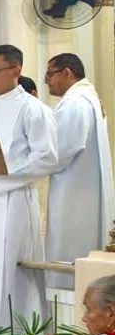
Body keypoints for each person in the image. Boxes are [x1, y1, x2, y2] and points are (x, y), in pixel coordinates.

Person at [0, 44, 57, 330]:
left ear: (16, 70)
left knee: (11, 273)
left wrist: (0, 175)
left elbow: (46, 158)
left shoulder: (34, 110)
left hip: (14, 202)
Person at [44, 53, 114, 288]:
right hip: (84, 190)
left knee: (67, 258)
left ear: (67, 72)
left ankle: (65, 319)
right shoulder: (89, 98)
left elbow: (59, 150)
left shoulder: (74, 103)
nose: (46, 81)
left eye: (50, 74)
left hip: (73, 195)